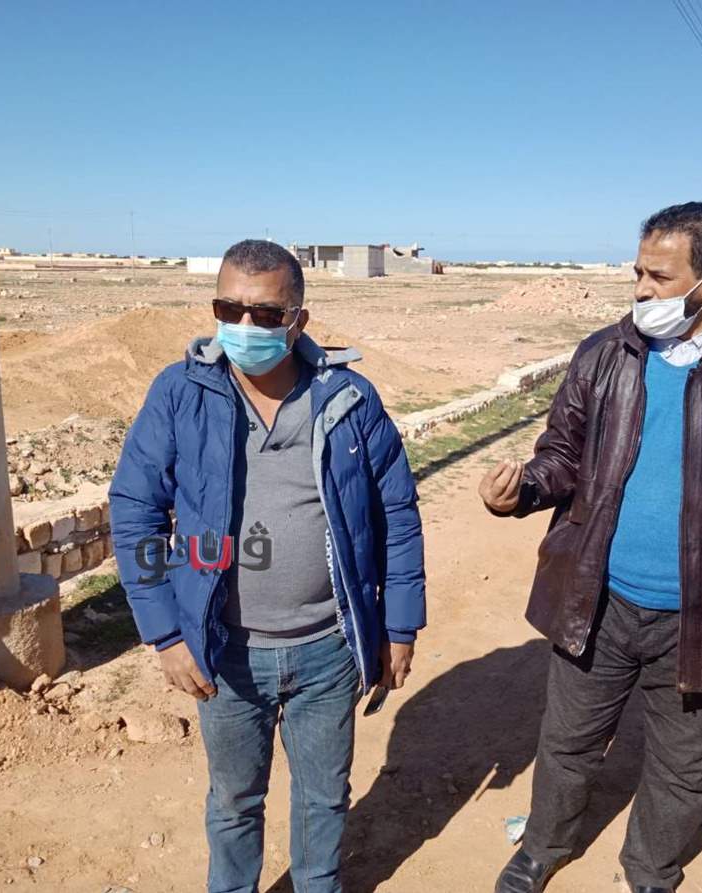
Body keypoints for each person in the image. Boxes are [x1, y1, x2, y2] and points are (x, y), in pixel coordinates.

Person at [481, 203, 702, 893]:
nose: (641, 289)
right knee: (568, 741)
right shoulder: (604, 353)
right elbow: (563, 455)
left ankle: (651, 869)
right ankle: (544, 846)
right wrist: (522, 490)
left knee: (685, 764)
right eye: (638, 273)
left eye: (659, 277)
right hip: (598, 598)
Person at [110, 239, 426, 893]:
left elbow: (395, 515)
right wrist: (165, 633)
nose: (245, 327)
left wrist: (399, 627)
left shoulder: (348, 399)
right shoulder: (181, 393)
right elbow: (136, 510)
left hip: (329, 651)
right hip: (225, 654)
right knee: (233, 801)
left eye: (266, 314)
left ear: (298, 321)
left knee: (323, 798)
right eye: (230, 310)